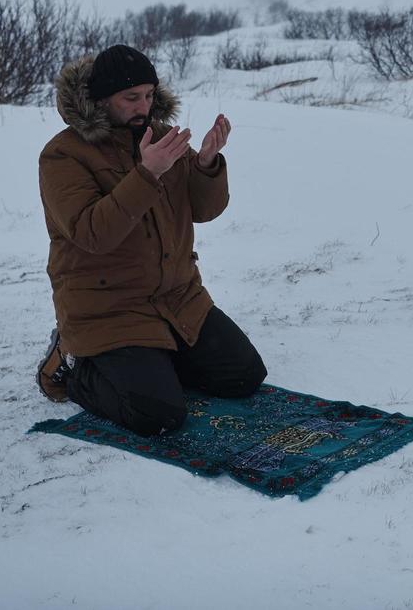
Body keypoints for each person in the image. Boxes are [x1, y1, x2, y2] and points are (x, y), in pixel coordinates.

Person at [34, 44, 266, 435]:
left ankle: (156, 361)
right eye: (131, 98)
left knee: (244, 376)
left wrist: (206, 163)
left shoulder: (160, 137)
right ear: (101, 100)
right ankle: (73, 366)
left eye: (149, 95)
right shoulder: (63, 156)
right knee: (157, 415)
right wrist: (147, 174)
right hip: (108, 309)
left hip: (177, 298)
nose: (144, 106)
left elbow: (204, 210)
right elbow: (93, 233)